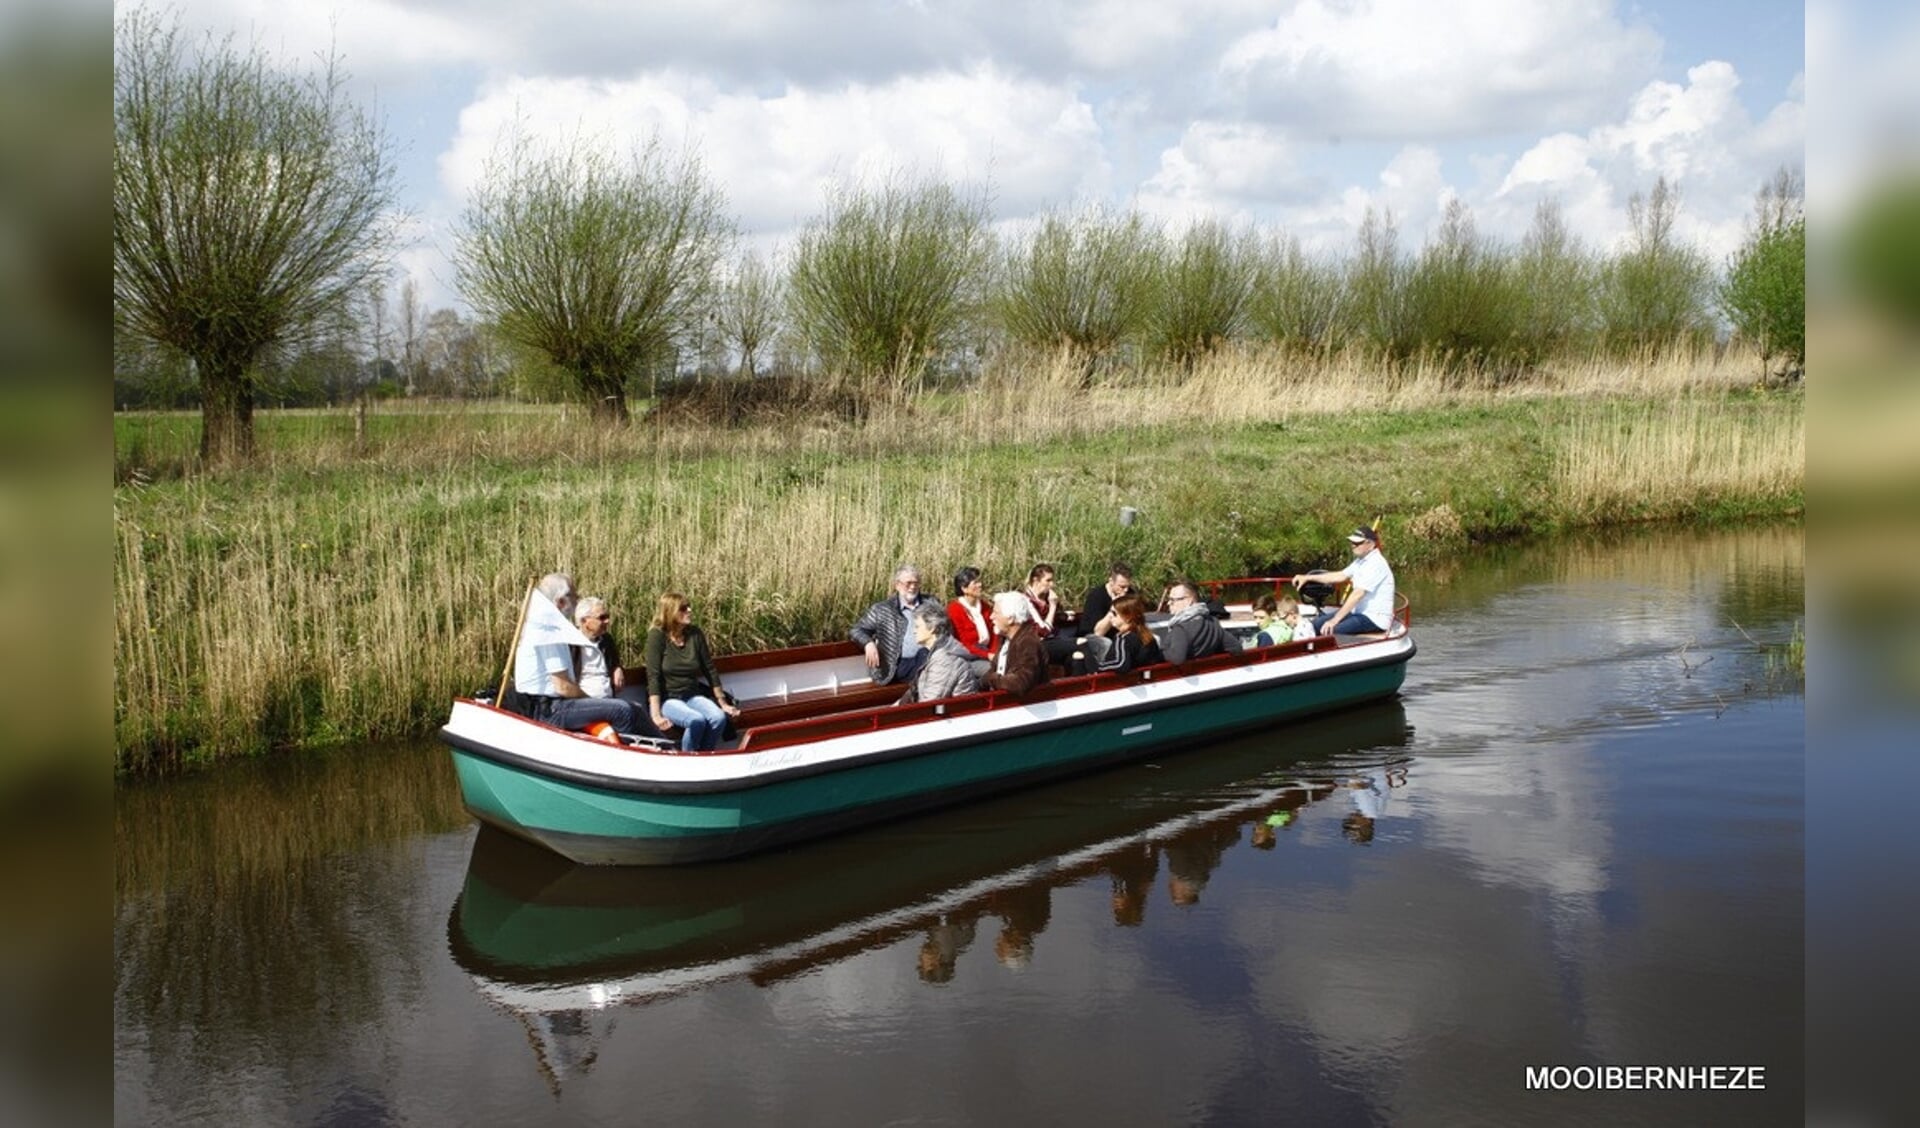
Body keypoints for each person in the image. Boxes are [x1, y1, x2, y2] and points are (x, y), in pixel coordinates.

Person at [514, 573, 643, 735]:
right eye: (575, 596)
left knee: (634, 709)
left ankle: (669, 749)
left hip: (551, 705)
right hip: (549, 711)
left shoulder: (545, 625)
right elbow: (563, 687)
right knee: (621, 710)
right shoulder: (548, 631)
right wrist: (592, 702)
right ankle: (624, 755)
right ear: (561, 602)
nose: (577, 601)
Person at [644, 591, 741, 753]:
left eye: (689, 607)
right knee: (696, 720)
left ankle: (704, 754)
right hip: (668, 698)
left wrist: (723, 703)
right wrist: (655, 715)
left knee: (718, 718)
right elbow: (653, 676)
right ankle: (687, 757)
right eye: (683, 608)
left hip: (692, 695)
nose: (689, 610)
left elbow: (709, 669)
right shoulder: (657, 636)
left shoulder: (695, 634)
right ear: (670, 612)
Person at [1294, 524, 1397, 637]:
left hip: (1374, 618)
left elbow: (1357, 594)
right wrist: (1307, 577)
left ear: (1370, 544)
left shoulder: (1376, 564)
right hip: (1358, 612)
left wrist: (1334, 620)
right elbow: (1340, 576)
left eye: (1357, 543)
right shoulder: (1361, 560)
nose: (1353, 545)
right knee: (1316, 624)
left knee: (1329, 631)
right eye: (1352, 542)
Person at [850, 565, 942, 686]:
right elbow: (857, 630)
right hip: (897, 665)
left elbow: (944, 628)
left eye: (916, 583)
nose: (913, 587)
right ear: (897, 585)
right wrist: (868, 643)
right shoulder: (882, 609)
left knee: (932, 658)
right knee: (927, 657)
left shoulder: (931, 603)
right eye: (908, 583)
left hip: (931, 659)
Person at [901, 603, 984, 704]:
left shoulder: (945, 659)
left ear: (932, 628)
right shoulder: (935, 653)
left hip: (955, 716)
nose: (914, 631)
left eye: (917, 626)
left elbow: (929, 704)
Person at [1073, 593, 1162, 675]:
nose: (1110, 616)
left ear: (1128, 617)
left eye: (1114, 613)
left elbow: (1121, 665)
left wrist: (1096, 664)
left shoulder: (1123, 638)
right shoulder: (1146, 635)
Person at [1158, 580, 1244, 664]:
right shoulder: (1212, 621)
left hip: (1187, 675)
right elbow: (1236, 647)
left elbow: (1177, 658)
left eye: (1173, 600)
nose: (1169, 603)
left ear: (1189, 600)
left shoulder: (1181, 628)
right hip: (1207, 671)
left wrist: (1160, 652)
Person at [984, 591, 1051, 697]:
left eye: (996, 613)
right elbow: (995, 670)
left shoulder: (1028, 642)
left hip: (1030, 706)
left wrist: (991, 679)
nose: (991, 617)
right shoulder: (1005, 639)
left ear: (1010, 619)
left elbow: (1021, 683)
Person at [1022, 563, 1078, 668]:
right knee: (1082, 644)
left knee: (1076, 656)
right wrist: (1052, 606)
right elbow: (1043, 632)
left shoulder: (1047, 597)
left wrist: (1063, 615)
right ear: (1036, 580)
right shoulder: (1026, 601)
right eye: (1048, 580)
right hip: (1040, 642)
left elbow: (1054, 618)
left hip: (1055, 636)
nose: (1052, 584)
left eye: (1052, 580)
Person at [945, 566, 997, 677]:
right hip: (967, 657)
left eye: (980, 582)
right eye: (975, 583)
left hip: (986, 652)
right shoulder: (954, 609)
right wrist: (988, 655)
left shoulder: (985, 606)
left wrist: (994, 653)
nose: (980, 585)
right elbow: (963, 644)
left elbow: (994, 634)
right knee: (991, 670)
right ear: (964, 588)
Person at [573, 596, 621, 698]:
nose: (607, 621)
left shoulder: (606, 640)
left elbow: (615, 661)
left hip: (608, 699)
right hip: (583, 701)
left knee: (635, 709)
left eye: (607, 616)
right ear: (584, 621)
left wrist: (617, 668)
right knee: (625, 710)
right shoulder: (571, 644)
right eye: (602, 617)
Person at [1077, 564, 1135, 637]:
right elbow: (1098, 633)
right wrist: (1114, 609)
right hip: (1093, 637)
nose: (1126, 590)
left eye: (1128, 586)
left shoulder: (1130, 594)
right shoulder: (1096, 596)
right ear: (1111, 581)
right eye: (1122, 587)